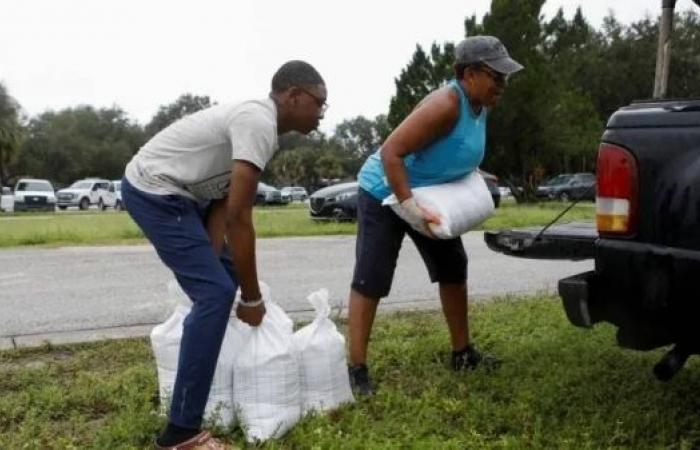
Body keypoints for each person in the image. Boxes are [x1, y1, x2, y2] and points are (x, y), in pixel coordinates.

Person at [122, 61, 327, 449]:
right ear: (293, 95)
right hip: (155, 190)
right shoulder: (258, 121)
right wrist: (251, 299)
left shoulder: (262, 128)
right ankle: (180, 434)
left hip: (185, 196)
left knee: (221, 277)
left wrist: (216, 264)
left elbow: (220, 205)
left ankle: (209, 380)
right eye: (319, 103)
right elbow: (239, 218)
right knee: (216, 294)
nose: (320, 113)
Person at [346, 36, 523, 396]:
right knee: (372, 278)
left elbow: (447, 150)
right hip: (384, 192)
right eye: (496, 76)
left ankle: (462, 354)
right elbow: (391, 152)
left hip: (429, 196)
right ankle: (356, 369)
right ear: (470, 73)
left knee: (453, 268)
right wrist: (408, 207)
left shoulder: (480, 106)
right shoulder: (447, 103)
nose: (502, 86)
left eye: (505, 78)